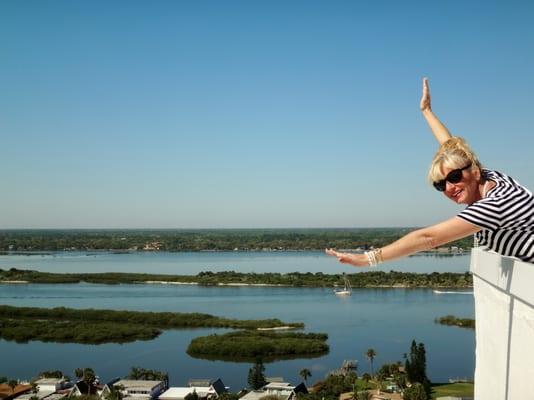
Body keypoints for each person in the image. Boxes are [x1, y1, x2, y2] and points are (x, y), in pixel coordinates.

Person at [326, 78, 534, 266]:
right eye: (441, 185)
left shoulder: (494, 205)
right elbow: (450, 146)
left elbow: (429, 239)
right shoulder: (487, 177)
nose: (449, 188)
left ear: (475, 172)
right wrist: (426, 110)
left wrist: (366, 259)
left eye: (454, 177)